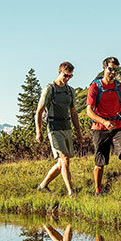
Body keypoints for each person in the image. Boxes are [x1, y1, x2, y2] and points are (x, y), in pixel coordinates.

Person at [87, 57, 121, 195]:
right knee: (100, 163)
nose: (113, 72)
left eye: (115, 69)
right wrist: (104, 122)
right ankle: (98, 189)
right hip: (100, 129)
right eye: (110, 69)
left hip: (118, 126)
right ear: (104, 68)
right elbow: (89, 111)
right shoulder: (95, 87)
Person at [35, 62, 82, 196]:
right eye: (65, 75)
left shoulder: (70, 91)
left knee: (62, 163)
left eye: (70, 76)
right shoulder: (50, 89)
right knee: (65, 158)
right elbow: (39, 111)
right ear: (59, 72)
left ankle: (43, 185)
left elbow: (73, 112)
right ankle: (70, 192)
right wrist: (39, 131)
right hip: (54, 128)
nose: (67, 78)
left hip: (67, 127)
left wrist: (79, 132)